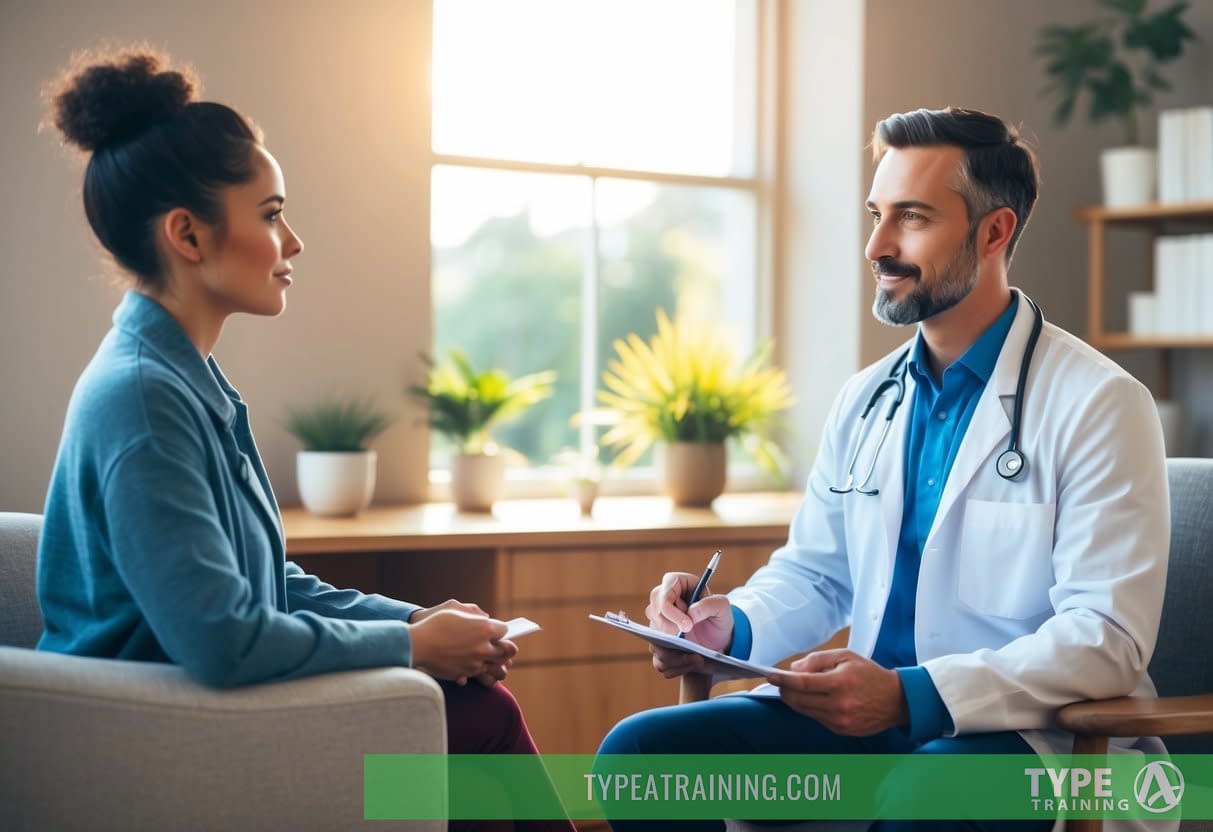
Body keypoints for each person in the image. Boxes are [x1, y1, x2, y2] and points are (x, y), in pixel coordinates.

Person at [37, 46, 574, 832]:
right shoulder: (147, 400)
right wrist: (413, 649)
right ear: (188, 235)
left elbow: (268, 588)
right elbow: (222, 641)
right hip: (158, 733)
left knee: (467, 713)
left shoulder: (182, 379)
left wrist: (415, 620)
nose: (292, 243)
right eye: (271, 214)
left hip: (200, 704)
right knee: (477, 721)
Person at [597, 107, 1171, 832]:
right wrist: (726, 627)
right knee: (642, 756)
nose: (876, 244)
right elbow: (816, 574)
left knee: (924, 798)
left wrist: (912, 696)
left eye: (912, 218)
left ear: (994, 232)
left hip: (1030, 740)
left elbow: (1104, 639)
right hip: (861, 730)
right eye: (875, 215)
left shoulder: (1099, 404)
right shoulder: (866, 398)